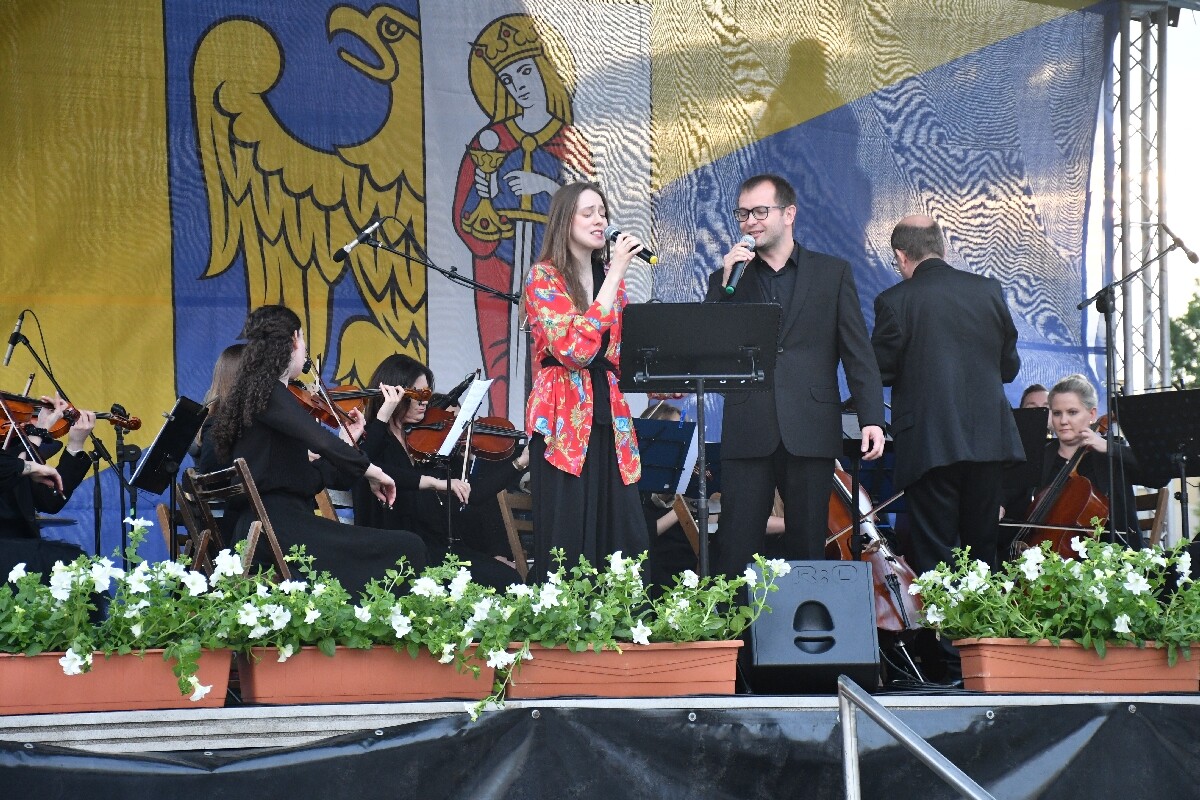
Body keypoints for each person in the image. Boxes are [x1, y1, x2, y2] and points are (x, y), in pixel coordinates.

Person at [705, 174, 885, 576]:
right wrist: (723, 284)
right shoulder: (731, 278)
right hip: (749, 425)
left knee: (807, 542)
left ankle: (805, 619)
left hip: (810, 425)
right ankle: (737, 620)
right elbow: (710, 347)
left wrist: (871, 417)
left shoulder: (832, 273)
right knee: (736, 542)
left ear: (789, 214)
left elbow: (857, 352)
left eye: (760, 211)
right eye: (742, 214)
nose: (750, 221)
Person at [207, 305, 427, 593]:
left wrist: (347, 445)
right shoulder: (270, 394)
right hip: (279, 530)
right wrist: (371, 470)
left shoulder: (258, 398)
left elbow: (312, 477)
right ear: (295, 339)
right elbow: (321, 441)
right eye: (304, 342)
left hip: (272, 527)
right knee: (408, 546)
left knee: (403, 545)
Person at [454, 14, 593, 419]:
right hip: (501, 269)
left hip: (557, 272)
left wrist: (547, 187)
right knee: (502, 359)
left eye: (526, 72)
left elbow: (591, 213)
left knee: (553, 357)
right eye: (509, 80)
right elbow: (469, 217)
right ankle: (505, 436)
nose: (520, 86)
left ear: (546, 73)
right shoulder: (489, 141)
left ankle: (552, 434)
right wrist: (486, 200)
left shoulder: (571, 141)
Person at [871, 215, 1024, 576]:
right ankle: (983, 613)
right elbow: (1009, 368)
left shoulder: (894, 300)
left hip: (930, 443)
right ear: (942, 248)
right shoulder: (988, 290)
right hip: (988, 441)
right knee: (982, 550)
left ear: (901, 255)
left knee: (936, 555)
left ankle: (945, 616)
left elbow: (880, 371)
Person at [523, 181, 646, 578]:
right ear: (565, 220)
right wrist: (615, 277)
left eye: (603, 212)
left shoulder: (611, 278)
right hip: (563, 415)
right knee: (568, 530)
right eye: (588, 213)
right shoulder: (544, 277)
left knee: (622, 528)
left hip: (609, 411)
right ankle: (564, 614)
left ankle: (624, 612)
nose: (600, 221)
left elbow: (620, 352)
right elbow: (574, 349)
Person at [351, 353, 524, 590]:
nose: (425, 402)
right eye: (419, 394)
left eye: (427, 394)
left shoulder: (420, 440)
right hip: (395, 549)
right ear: (397, 393)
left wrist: (520, 462)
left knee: (508, 578)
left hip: (432, 546)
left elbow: (471, 493)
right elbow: (364, 464)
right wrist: (384, 415)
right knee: (502, 581)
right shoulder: (371, 435)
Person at [1018, 374, 1150, 551]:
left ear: (1092, 414)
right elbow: (1015, 498)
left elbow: (1156, 477)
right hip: (1049, 556)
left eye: (1072, 412)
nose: (1063, 421)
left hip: (1112, 556)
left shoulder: (1111, 453)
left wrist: (1109, 447)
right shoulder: (1041, 457)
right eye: (1057, 413)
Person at [0, 398, 95, 579]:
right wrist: (38, 432)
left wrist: (75, 445)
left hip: (23, 552)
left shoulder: (15, 446)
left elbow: (50, 500)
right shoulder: (15, 453)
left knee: (72, 565)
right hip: (8, 553)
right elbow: (13, 468)